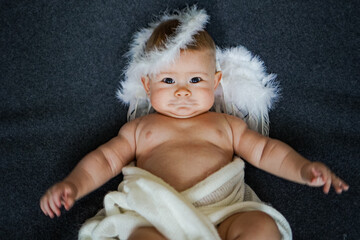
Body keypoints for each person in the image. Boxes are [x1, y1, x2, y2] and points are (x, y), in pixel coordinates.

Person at [40, 10, 349, 240]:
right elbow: (104, 160)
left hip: (223, 213)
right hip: (156, 216)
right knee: (139, 237)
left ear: (215, 83)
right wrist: (73, 185)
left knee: (261, 227)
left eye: (196, 80)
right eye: (169, 80)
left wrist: (303, 168)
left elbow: (268, 151)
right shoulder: (141, 129)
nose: (183, 90)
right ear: (148, 86)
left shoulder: (226, 125)